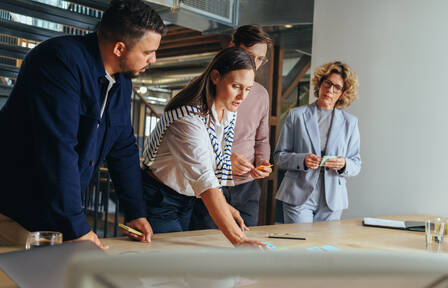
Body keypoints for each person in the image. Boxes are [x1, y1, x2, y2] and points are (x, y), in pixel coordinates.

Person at [0, 0, 165, 249]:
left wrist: (135, 212)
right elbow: (58, 147)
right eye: (147, 52)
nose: (153, 59)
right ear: (120, 48)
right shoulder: (59, 61)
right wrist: (77, 227)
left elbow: (124, 148)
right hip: (14, 209)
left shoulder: (121, 84)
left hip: (53, 214)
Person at [141, 47, 265, 247]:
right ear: (216, 77)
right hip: (160, 198)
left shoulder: (228, 111)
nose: (242, 96)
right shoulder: (188, 119)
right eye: (236, 86)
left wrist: (225, 207)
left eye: (248, 89)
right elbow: (205, 181)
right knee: (167, 264)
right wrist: (240, 241)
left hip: (188, 197)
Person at [190, 25, 273, 230]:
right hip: (211, 184)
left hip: (247, 188)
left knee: (244, 249)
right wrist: (224, 160)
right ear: (231, 48)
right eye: (249, 55)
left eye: (261, 59)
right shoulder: (203, 87)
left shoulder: (261, 95)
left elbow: (261, 140)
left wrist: (263, 162)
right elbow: (191, 141)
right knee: (208, 248)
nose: (255, 63)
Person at [274, 61, 361, 223]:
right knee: (300, 245)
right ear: (320, 83)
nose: (330, 90)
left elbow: (356, 163)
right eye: (327, 83)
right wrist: (302, 160)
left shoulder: (350, 122)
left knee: (325, 247)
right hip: (298, 194)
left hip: (333, 199)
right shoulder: (296, 116)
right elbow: (279, 156)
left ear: (343, 93)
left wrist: (343, 164)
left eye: (337, 87)